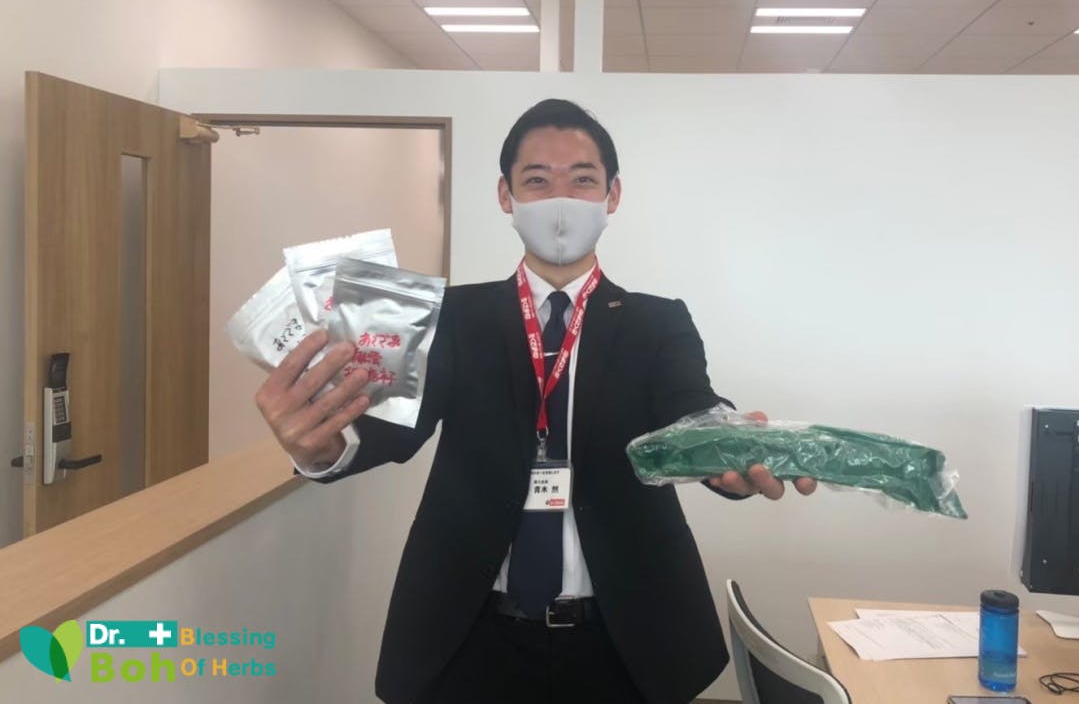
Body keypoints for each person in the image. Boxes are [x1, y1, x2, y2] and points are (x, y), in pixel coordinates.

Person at [254, 99, 816, 704]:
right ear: (507, 195)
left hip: (626, 637)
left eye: (583, 180)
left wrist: (727, 446)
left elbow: (691, 409)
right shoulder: (452, 317)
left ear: (612, 195)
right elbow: (392, 430)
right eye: (538, 180)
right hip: (472, 633)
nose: (561, 200)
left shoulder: (657, 322)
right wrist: (319, 447)